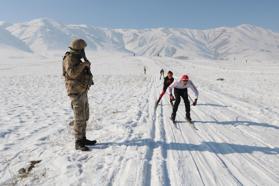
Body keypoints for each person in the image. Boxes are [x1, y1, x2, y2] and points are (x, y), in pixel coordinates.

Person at [63, 39, 96, 151]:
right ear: (79, 48)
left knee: (84, 115)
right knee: (79, 117)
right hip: (75, 92)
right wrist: (83, 65)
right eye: (83, 49)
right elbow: (71, 73)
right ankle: (78, 141)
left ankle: (83, 138)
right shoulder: (69, 58)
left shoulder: (77, 58)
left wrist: (85, 65)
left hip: (82, 90)